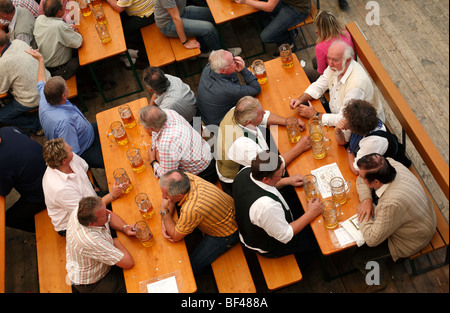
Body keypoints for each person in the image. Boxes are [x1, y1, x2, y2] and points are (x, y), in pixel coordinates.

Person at [352, 153, 436, 290]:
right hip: (420, 216)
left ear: (376, 183)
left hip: (414, 237)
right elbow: (361, 179)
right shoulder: (389, 164)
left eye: (363, 176)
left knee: (359, 258)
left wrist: (363, 213)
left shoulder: (391, 204)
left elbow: (372, 239)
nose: (360, 177)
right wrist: (366, 200)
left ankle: (376, 282)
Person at [233, 151, 321, 261]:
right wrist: (311, 213)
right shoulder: (266, 206)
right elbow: (285, 234)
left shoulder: (245, 172)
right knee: (318, 237)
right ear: (266, 179)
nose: (283, 173)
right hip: (270, 244)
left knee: (295, 198)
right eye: (280, 174)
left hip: (259, 222)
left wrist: (287, 180)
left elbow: (266, 185)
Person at [27, 47, 104, 169]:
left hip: (87, 133)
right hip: (87, 149)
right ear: (64, 95)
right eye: (66, 87)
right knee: (115, 159)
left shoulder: (45, 98)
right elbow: (73, 153)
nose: (68, 87)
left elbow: (40, 81)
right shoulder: (65, 123)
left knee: (110, 122)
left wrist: (40, 60)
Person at [216, 95, 310, 194]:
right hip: (240, 180)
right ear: (249, 122)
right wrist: (300, 147)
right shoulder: (242, 145)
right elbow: (271, 166)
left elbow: (264, 116)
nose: (264, 112)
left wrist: (287, 122)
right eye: (261, 113)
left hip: (257, 157)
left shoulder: (237, 110)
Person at [159, 169, 238, 274]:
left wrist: (164, 212)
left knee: (191, 267)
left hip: (227, 233)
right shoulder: (186, 178)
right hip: (228, 210)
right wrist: (165, 220)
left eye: (166, 196)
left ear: (179, 196)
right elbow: (171, 200)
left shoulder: (191, 209)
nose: (163, 198)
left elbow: (175, 236)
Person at [289, 41, 385, 127]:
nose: (330, 64)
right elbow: (319, 85)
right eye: (329, 58)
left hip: (362, 126)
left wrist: (315, 115)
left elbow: (344, 119)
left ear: (348, 60)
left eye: (334, 60)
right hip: (336, 114)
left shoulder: (356, 85)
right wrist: (300, 99)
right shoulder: (337, 67)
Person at [42, 138, 124, 236]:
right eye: (69, 150)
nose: (71, 148)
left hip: (90, 201)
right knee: (115, 235)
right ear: (64, 161)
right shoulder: (60, 188)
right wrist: (112, 195)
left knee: (124, 198)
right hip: (78, 222)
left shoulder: (69, 158)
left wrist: (93, 188)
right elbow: (87, 213)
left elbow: (84, 170)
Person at [66, 196, 135, 293]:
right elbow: (128, 263)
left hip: (100, 260)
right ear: (92, 224)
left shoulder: (81, 210)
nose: (108, 213)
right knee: (135, 284)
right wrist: (115, 241)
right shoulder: (90, 240)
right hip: (93, 282)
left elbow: (109, 216)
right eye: (104, 215)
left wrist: (125, 228)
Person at [139, 105, 217, 183]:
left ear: (150, 128)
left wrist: (153, 161)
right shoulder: (168, 112)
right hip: (208, 153)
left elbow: (168, 175)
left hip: (204, 174)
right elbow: (156, 135)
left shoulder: (167, 143)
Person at [334, 99, 411, 175]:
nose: (344, 121)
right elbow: (342, 141)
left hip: (387, 170)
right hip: (363, 156)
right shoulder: (365, 120)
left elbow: (357, 170)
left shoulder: (373, 142)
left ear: (355, 128)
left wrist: (350, 153)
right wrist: (337, 129)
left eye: (346, 119)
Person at [196, 49, 261, 127]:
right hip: (219, 124)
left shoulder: (210, 67)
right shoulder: (229, 89)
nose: (237, 59)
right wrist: (243, 69)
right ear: (223, 70)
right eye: (233, 61)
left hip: (205, 114)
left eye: (233, 56)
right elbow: (256, 88)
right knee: (257, 113)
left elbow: (234, 81)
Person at [0, 29, 47, 135]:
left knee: (2, 115)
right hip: (47, 82)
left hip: (34, 98)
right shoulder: (18, 42)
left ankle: (37, 125)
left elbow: (1, 90)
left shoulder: (3, 63)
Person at [154, 0, 241, 57]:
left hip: (182, 12)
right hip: (168, 24)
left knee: (214, 15)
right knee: (208, 29)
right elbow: (176, 18)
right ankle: (223, 56)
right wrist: (185, 42)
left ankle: (204, 48)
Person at [0, 126, 46, 233]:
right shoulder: (6, 130)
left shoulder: (1, 162)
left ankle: (43, 231)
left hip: (43, 194)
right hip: (52, 168)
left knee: (10, 219)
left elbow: (4, 192)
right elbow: (30, 138)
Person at [234, 0, 310, 56]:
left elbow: (269, 7)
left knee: (265, 37)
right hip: (286, 2)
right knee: (257, 13)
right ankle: (286, 31)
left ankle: (287, 41)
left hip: (297, 10)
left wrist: (245, 1)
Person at [33, 0, 83, 79]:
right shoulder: (58, 26)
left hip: (47, 66)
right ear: (59, 12)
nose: (65, 6)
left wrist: (67, 29)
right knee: (86, 59)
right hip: (61, 70)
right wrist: (75, 31)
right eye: (63, 5)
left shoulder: (39, 19)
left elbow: (53, 31)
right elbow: (79, 42)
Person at [304, 9, 355, 82]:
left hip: (337, 82)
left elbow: (321, 72)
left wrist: (320, 38)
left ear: (320, 29)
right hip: (351, 72)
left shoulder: (320, 47)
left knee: (304, 71)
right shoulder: (346, 33)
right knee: (314, 60)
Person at [107, 0, 155, 67]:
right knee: (119, 22)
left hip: (147, 15)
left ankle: (142, 53)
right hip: (151, 8)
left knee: (120, 34)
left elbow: (119, 8)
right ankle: (130, 53)